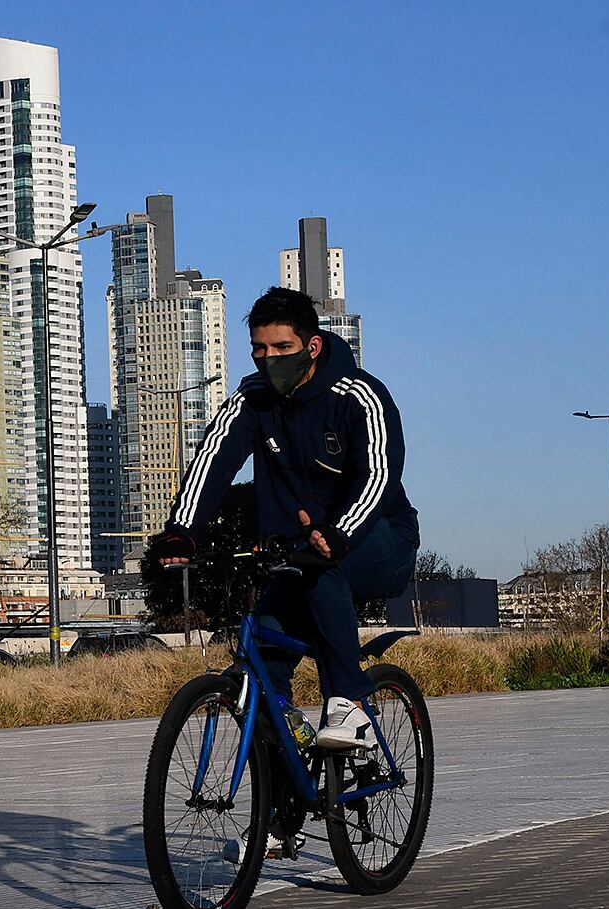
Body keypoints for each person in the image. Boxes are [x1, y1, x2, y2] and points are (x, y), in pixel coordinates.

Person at [153, 286, 419, 752]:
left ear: (311, 346)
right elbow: (214, 457)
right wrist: (182, 530)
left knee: (320, 568)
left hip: (378, 540)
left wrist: (339, 532)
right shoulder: (252, 398)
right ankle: (280, 812)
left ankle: (350, 702)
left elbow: (378, 472)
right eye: (259, 348)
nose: (268, 358)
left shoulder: (358, 395)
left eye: (282, 348)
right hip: (293, 551)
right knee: (264, 678)